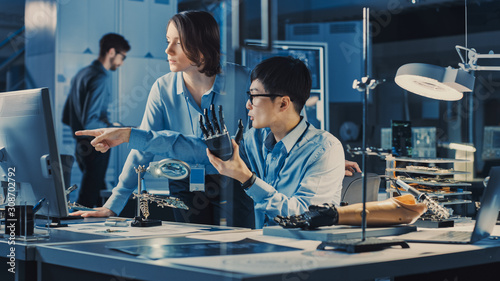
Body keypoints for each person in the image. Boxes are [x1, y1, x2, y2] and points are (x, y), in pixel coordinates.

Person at [74, 56, 347, 229]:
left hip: (307, 260)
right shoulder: (255, 142)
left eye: (254, 97)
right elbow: (192, 147)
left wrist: (248, 179)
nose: (247, 105)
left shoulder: (325, 149)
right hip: (267, 252)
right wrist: (130, 135)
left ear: (283, 103)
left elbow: (304, 216)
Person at [71, 11, 256, 228]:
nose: (168, 50)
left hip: (234, 182)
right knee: (190, 251)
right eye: (168, 41)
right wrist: (113, 204)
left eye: (179, 42)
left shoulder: (245, 81)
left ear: (202, 45)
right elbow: (143, 149)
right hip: (184, 183)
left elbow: (254, 147)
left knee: (235, 249)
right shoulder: (162, 87)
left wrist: (132, 135)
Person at [62, 33, 130, 207]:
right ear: (112, 52)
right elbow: (91, 122)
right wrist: (113, 127)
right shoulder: (100, 77)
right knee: (89, 196)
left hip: (80, 144)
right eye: (122, 57)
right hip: (96, 143)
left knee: (98, 189)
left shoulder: (82, 74)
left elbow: (66, 116)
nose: (122, 63)